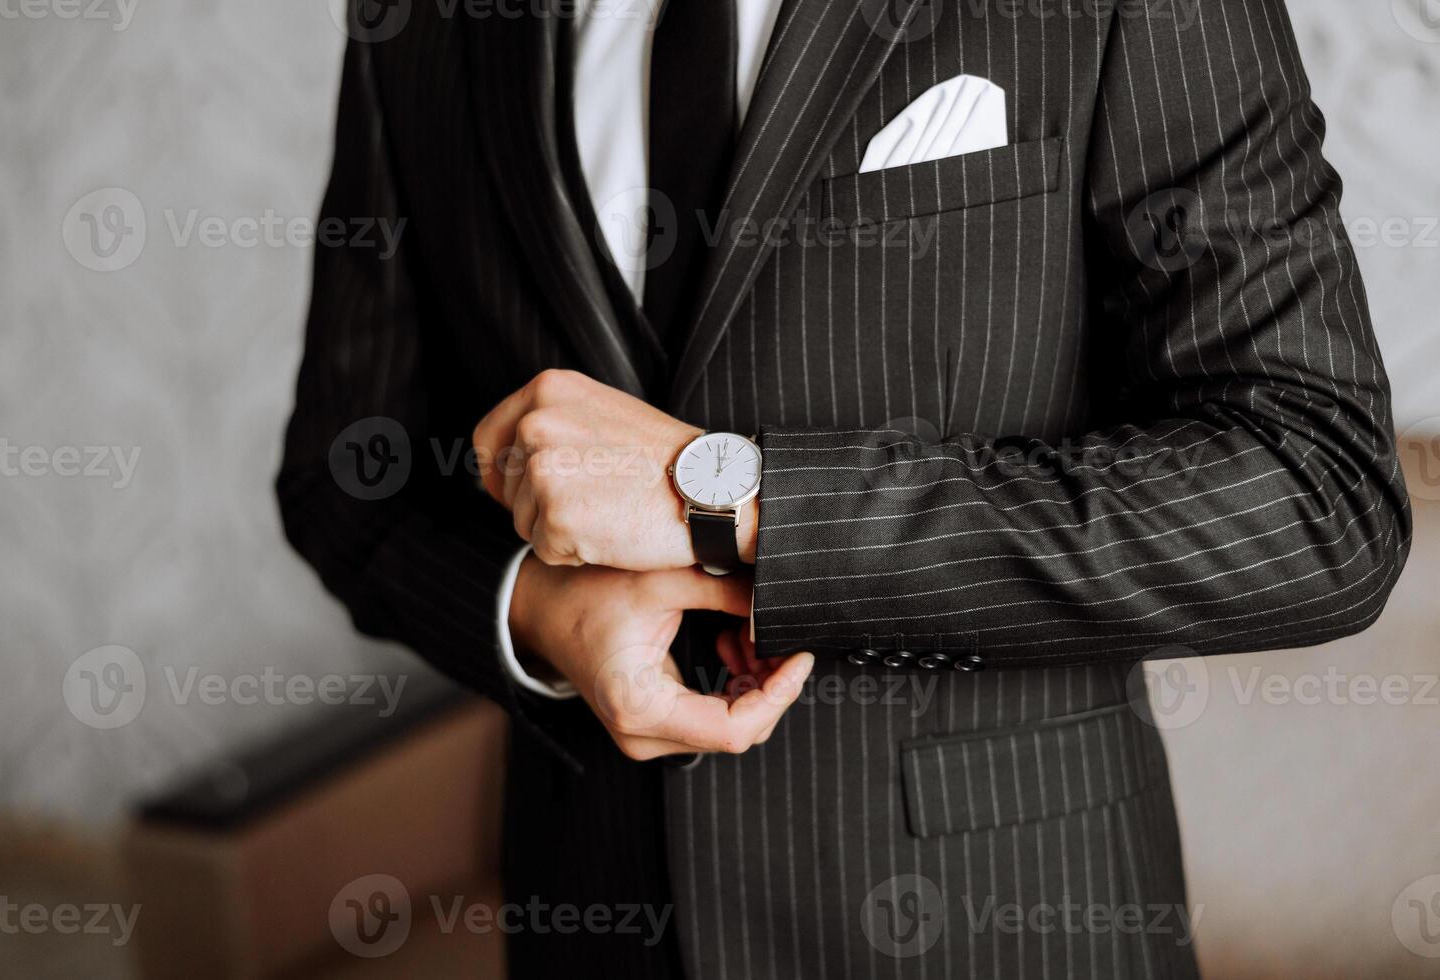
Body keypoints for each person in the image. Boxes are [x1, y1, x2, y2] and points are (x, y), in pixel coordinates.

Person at [279, 1, 1411, 976]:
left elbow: (1318, 487)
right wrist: (536, 606)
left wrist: (714, 497)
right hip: (593, 915)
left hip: (1002, 921)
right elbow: (346, 470)